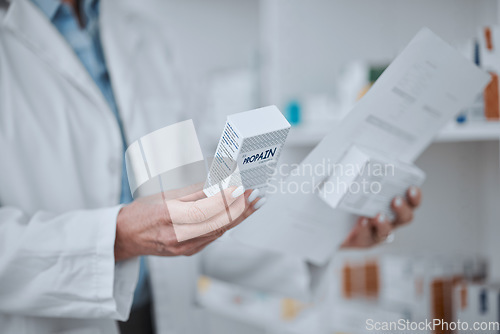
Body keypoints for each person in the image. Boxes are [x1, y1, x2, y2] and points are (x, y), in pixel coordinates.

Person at [0, 0, 421, 333]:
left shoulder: (143, 34)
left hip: (163, 317)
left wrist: (324, 233)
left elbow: (201, 208)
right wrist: (117, 238)